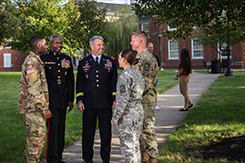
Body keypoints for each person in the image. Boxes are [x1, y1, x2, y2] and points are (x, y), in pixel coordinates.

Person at [76, 35, 118, 163]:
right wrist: (80, 100)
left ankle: (106, 158)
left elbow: (114, 80)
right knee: (88, 132)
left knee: (106, 133)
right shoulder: (84, 62)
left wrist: (115, 98)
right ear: (92, 46)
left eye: (102, 45)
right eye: (99, 45)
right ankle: (87, 158)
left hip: (105, 102)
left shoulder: (110, 61)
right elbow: (80, 83)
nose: (102, 47)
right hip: (89, 103)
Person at [18, 35, 52, 163]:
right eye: (44, 44)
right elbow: (34, 88)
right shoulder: (32, 62)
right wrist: (44, 108)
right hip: (33, 109)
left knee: (36, 141)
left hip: (34, 108)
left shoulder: (36, 60)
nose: (46, 46)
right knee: (35, 143)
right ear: (38, 46)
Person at [41, 34, 74, 163]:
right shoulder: (43, 58)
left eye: (60, 43)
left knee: (61, 128)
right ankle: (51, 158)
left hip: (63, 99)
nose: (59, 45)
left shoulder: (66, 59)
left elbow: (70, 79)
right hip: (51, 99)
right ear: (50, 44)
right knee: (53, 129)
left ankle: (59, 156)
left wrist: (70, 99)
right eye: (56, 43)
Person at [111, 49, 145, 162]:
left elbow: (122, 100)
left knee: (128, 148)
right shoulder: (137, 73)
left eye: (120, 57)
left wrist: (115, 117)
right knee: (135, 146)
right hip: (138, 112)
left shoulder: (124, 76)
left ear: (124, 60)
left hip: (128, 116)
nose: (118, 60)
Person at [130, 31, 159, 163]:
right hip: (140, 101)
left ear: (139, 42)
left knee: (147, 131)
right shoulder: (139, 58)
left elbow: (145, 84)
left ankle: (153, 158)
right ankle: (145, 158)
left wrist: (130, 97)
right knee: (141, 132)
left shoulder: (147, 59)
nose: (131, 43)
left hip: (146, 101)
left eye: (133, 40)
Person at [147, 42, 161, 110]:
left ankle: (155, 105)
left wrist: (154, 71)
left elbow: (158, 66)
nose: (151, 49)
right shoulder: (145, 57)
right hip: (147, 78)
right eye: (149, 47)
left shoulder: (155, 56)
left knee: (154, 91)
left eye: (152, 47)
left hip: (154, 77)